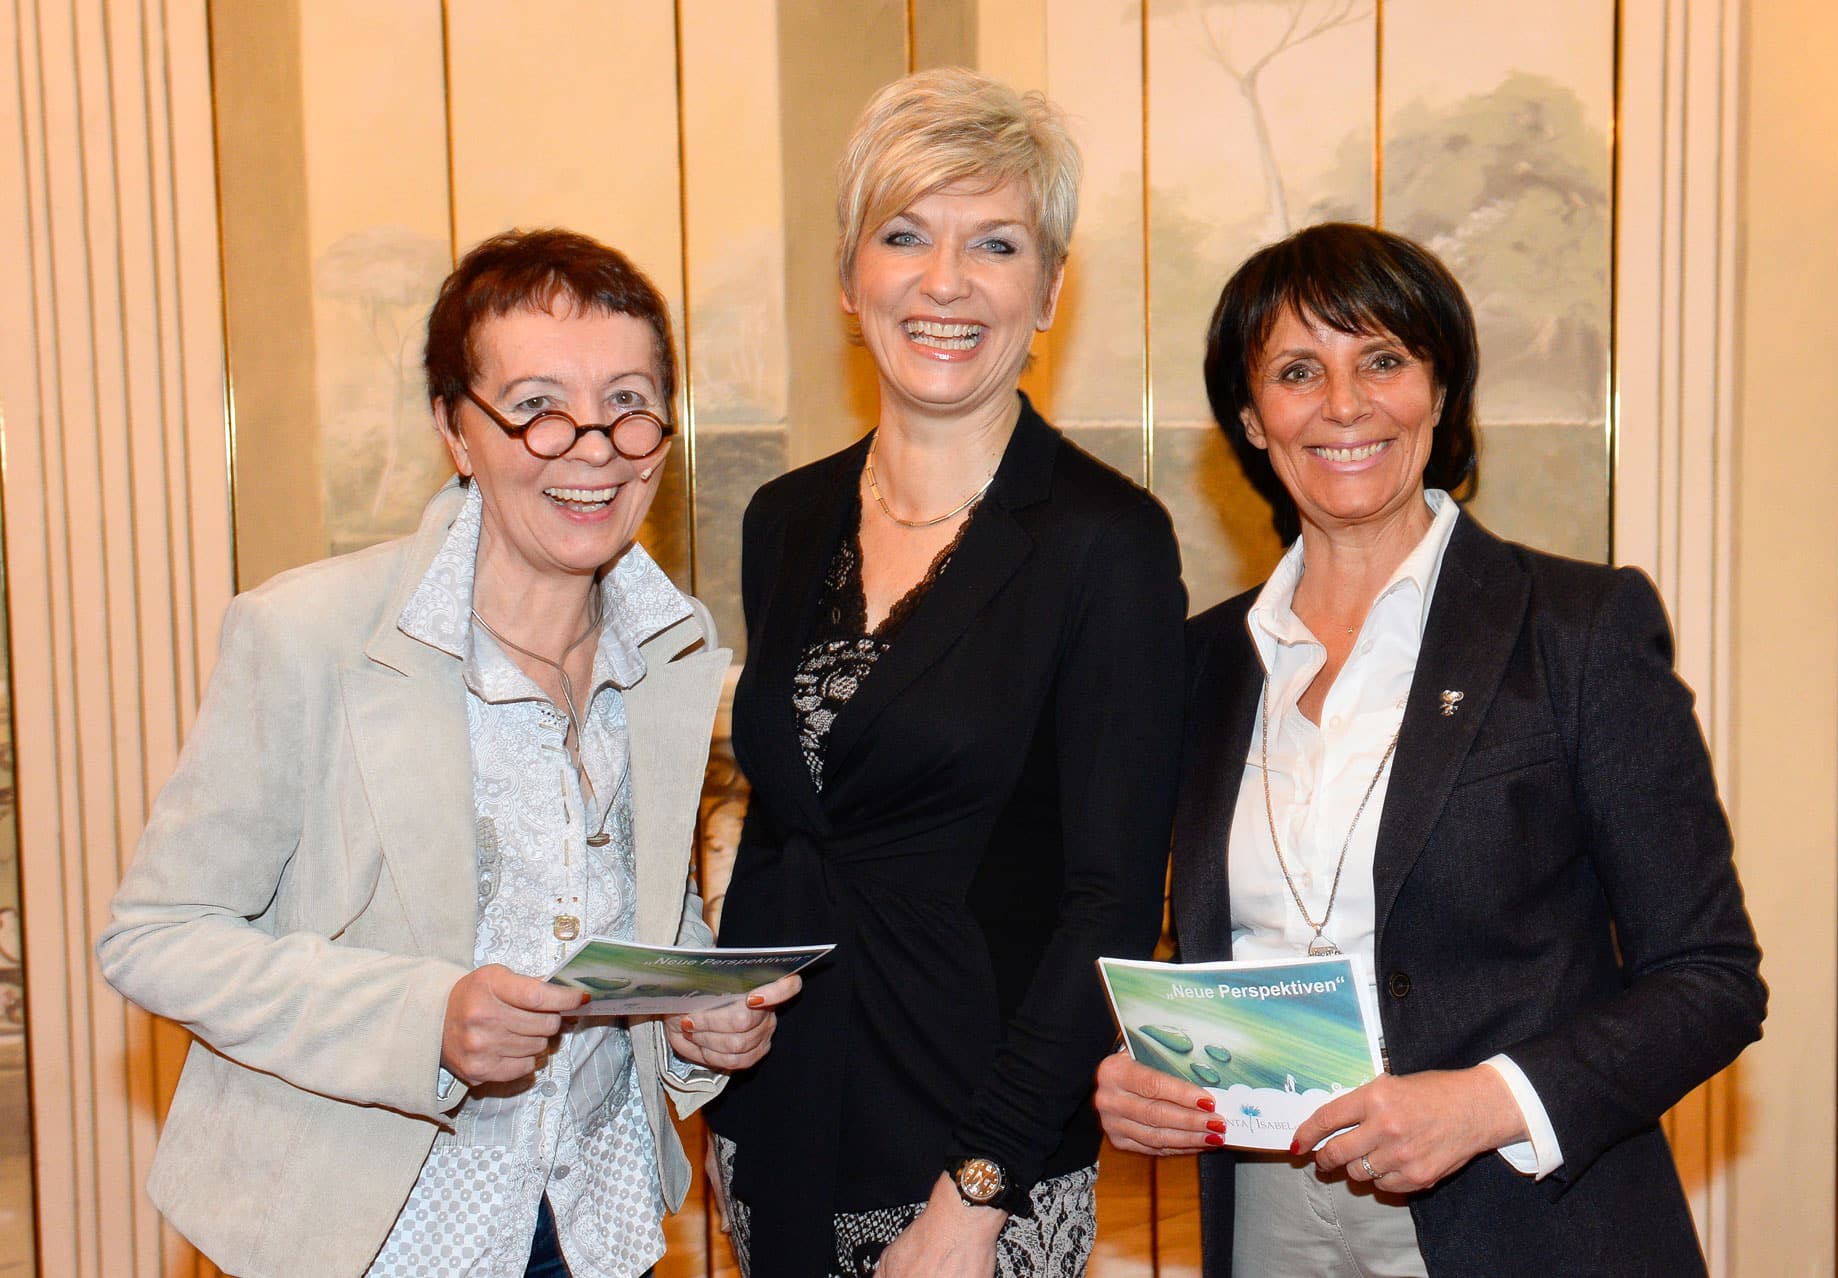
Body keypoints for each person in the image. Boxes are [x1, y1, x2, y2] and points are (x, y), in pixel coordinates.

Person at [96, 228, 798, 1278]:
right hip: (373, 1234)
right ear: (455, 430)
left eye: (628, 402)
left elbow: (642, 911)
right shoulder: (310, 635)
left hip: (595, 1223)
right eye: (536, 406)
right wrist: (423, 1020)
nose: (593, 446)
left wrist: (698, 1021)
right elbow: (156, 936)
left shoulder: (673, 646)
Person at [1092, 223, 1765, 1277]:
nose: (1344, 405)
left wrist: (1487, 1102)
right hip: (1266, 1212)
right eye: (1298, 372)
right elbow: (1204, 946)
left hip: (1521, 1214)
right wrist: (1139, 1071)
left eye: (1383, 361)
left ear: (1440, 391)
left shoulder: (1577, 630)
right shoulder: (1202, 663)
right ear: (1251, 420)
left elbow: (1710, 977)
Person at [704, 68, 1186, 1278]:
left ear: (1050, 288)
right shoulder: (784, 520)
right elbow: (784, 824)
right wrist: (709, 1006)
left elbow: (1111, 904)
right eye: (905, 234)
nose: (946, 281)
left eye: (997, 243)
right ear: (849, 274)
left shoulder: (1106, 543)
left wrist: (978, 1190)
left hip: (974, 1153)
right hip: (774, 1125)